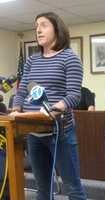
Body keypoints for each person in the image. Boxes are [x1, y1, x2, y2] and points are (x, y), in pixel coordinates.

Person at [10, 12, 86, 200]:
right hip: (34, 133)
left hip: (60, 133)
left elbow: (74, 96)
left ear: (57, 29)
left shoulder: (70, 58)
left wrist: (55, 108)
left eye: (44, 25)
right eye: (36, 26)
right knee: (42, 189)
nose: (38, 29)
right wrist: (16, 111)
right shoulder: (32, 60)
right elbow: (21, 92)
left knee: (72, 188)